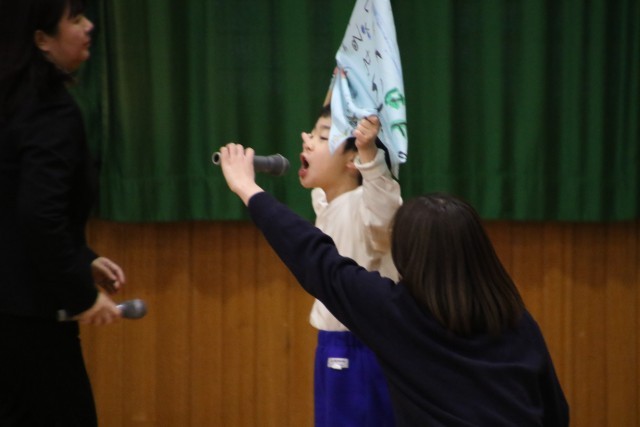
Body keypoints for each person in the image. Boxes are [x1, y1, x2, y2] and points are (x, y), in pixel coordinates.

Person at [216, 143, 570, 426]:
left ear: (407, 255)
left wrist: (248, 188)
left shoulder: (398, 315)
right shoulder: (517, 321)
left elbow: (315, 258)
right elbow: (556, 413)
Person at [0, 0, 126, 425]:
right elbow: (38, 218)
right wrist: (82, 295)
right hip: (27, 320)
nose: (89, 26)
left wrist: (81, 258)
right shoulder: (48, 109)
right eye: (75, 19)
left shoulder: (14, 103)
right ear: (41, 39)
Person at [298, 104, 401, 426]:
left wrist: (368, 151)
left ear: (352, 161)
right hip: (332, 346)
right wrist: (338, 86)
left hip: (361, 350)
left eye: (322, 137)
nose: (307, 140)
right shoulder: (327, 200)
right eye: (311, 133)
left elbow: (385, 200)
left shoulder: (368, 209)